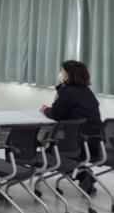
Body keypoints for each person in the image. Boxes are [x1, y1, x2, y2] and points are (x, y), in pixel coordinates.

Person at [40, 60, 103, 193]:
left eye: (63, 71)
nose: (61, 73)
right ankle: (82, 173)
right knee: (58, 149)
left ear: (69, 74)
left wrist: (45, 109)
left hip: (76, 143)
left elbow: (56, 114)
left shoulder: (67, 92)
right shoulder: (87, 92)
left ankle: (81, 174)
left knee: (48, 151)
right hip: (94, 143)